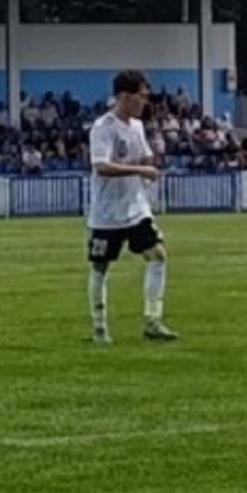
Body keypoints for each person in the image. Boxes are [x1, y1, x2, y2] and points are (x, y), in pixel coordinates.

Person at [87, 70, 178, 344]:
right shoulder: (103, 127)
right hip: (107, 212)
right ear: (125, 96)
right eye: (141, 96)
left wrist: (153, 155)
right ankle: (100, 327)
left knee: (158, 255)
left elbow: (145, 157)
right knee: (101, 266)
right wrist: (141, 168)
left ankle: (153, 320)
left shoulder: (137, 126)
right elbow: (101, 166)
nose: (144, 101)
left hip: (135, 207)